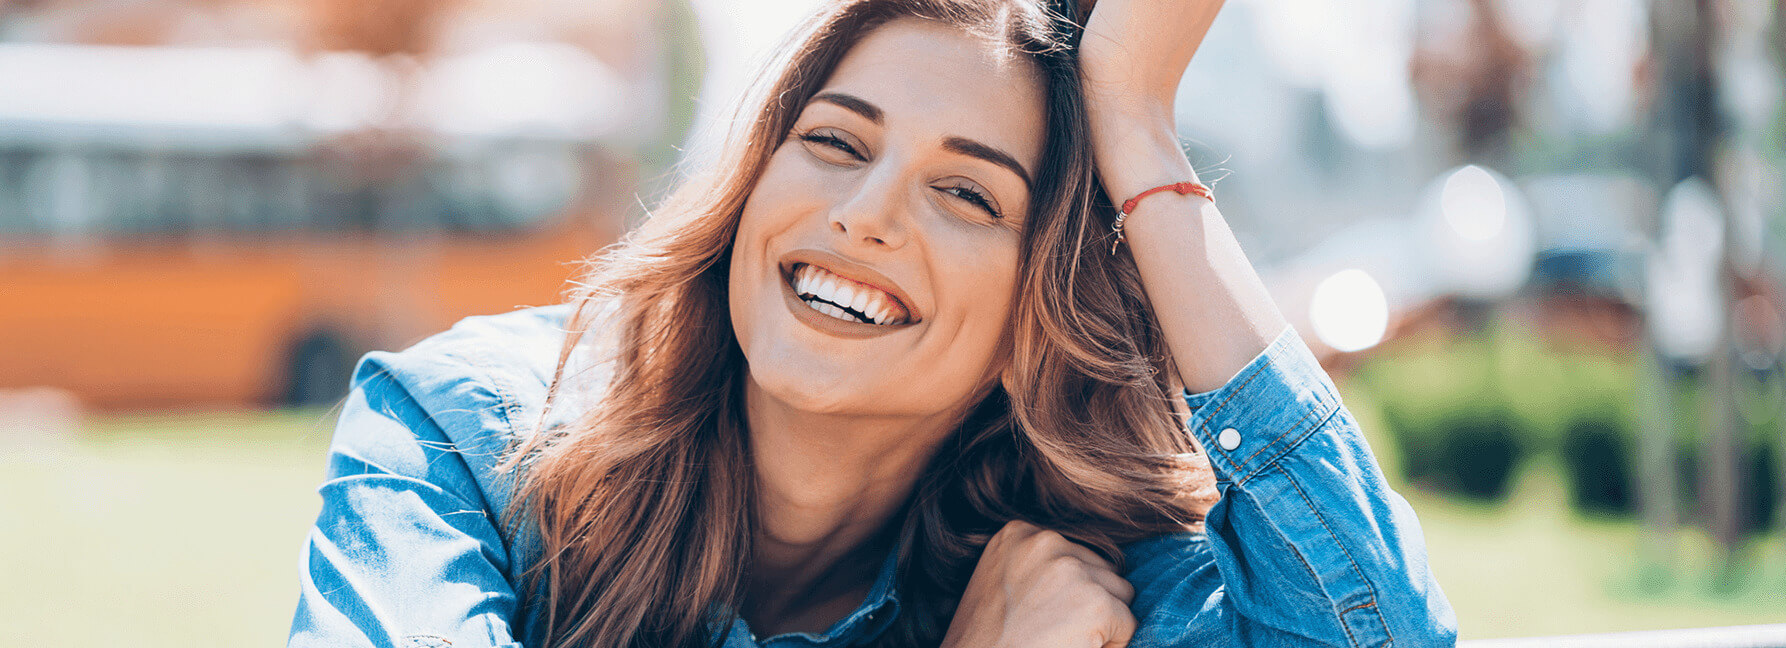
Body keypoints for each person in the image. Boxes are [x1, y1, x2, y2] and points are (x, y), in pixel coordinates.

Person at [287, 0, 1457, 646]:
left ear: (1037, 317)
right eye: (835, 142)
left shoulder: (1065, 581)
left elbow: (1376, 639)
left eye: (967, 193)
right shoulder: (466, 439)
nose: (862, 216)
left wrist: (1138, 129)